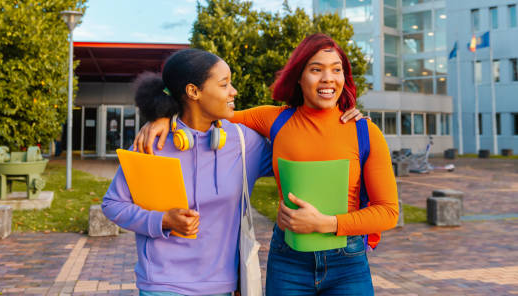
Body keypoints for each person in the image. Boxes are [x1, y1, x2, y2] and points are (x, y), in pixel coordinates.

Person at [135, 34, 398, 295]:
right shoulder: (272, 119)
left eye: (336, 70)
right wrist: (163, 116)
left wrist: (326, 223)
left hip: (347, 264)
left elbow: (388, 212)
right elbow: (204, 112)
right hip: (288, 263)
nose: (328, 78)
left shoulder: (365, 132)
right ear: (299, 76)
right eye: (316, 69)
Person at [101, 48, 274, 296]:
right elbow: (113, 204)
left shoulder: (244, 142)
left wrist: (344, 118)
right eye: (224, 84)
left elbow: (294, 146)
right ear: (193, 91)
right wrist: (162, 220)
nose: (234, 91)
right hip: (161, 284)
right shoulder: (152, 143)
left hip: (221, 285)